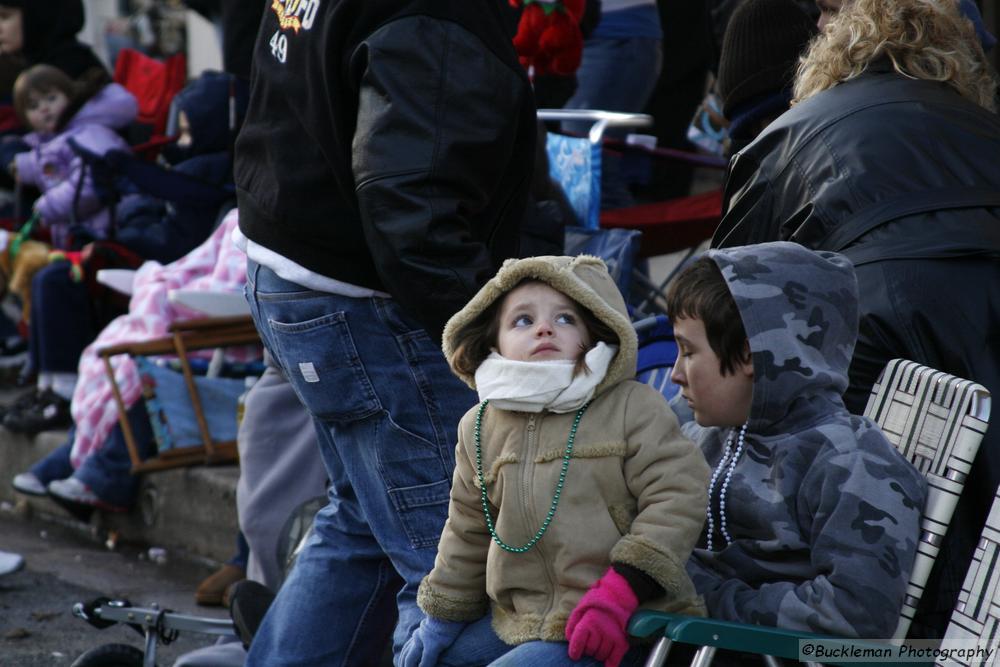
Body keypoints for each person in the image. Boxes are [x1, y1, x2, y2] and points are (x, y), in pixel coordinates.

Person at [234, 0, 537, 663]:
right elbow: (413, 207)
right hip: (364, 299)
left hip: (301, 270)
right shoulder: (432, 16)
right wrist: (500, 342)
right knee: (456, 573)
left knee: (363, 524)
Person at [711, 0, 1000, 638]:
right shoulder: (981, 125)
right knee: (969, 502)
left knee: (862, 505)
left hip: (874, 313)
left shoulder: (797, 126)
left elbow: (723, 297)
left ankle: (854, 631)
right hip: (982, 304)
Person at [402, 255, 709, 667]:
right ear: (493, 342)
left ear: (594, 331)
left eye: (565, 319)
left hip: (627, 621)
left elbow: (679, 496)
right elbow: (467, 529)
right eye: (522, 321)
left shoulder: (633, 407)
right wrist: (440, 619)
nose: (545, 328)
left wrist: (620, 593)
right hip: (521, 619)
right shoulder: (478, 426)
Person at [665, 242, 926, 639]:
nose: (675, 374)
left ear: (752, 355)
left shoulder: (849, 462)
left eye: (688, 352)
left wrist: (707, 600)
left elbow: (855, 614)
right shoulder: (705, 430)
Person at [11, 64, 137, 250]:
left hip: (105, 231)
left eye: (51, 98)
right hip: (81, 230)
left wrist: (47, 207)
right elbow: (54, 160)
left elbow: (91, 183)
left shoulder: (87, 132)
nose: (44, 108)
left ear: (69, 96)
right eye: (34, 106)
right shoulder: (60, 136)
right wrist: (26, 166)